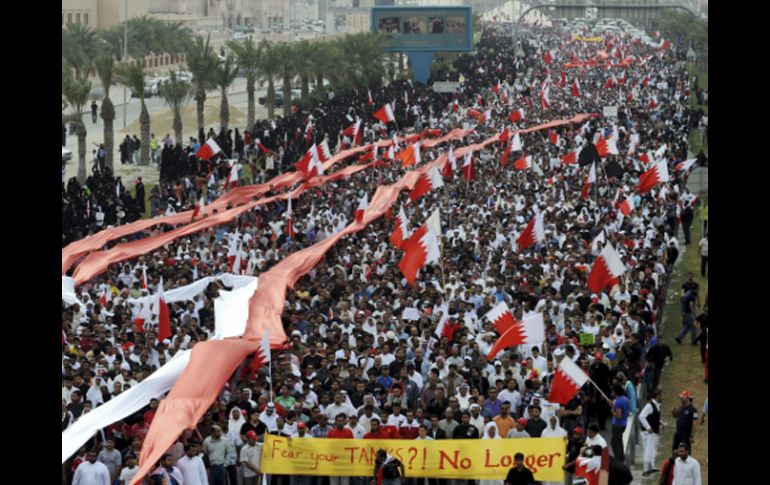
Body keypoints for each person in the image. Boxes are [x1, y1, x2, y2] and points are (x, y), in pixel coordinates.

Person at [639, 389, 663, 477]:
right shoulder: (650, 406)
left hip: (654, 433)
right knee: (648, 451)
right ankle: (646, 470)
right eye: (661, 395)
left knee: (652, 450)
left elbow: (654, 417)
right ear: (657, 396)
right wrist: (648, 427)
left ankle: (651, 467)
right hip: (648, 433)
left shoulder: (657, 405)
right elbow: (641, 416)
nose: (662, 397)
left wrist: (660, 423)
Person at [610, 384, 629, 463]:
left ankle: (619, 460)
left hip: (617, 425)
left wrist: (612, 411)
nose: (611, 393)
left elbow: (618, 415)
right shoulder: (625, 399)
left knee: (615, 443)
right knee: (618, 442)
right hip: (623, 424)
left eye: (612, 391)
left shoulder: (618, 402)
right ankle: (621, 458)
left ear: (615, 392)